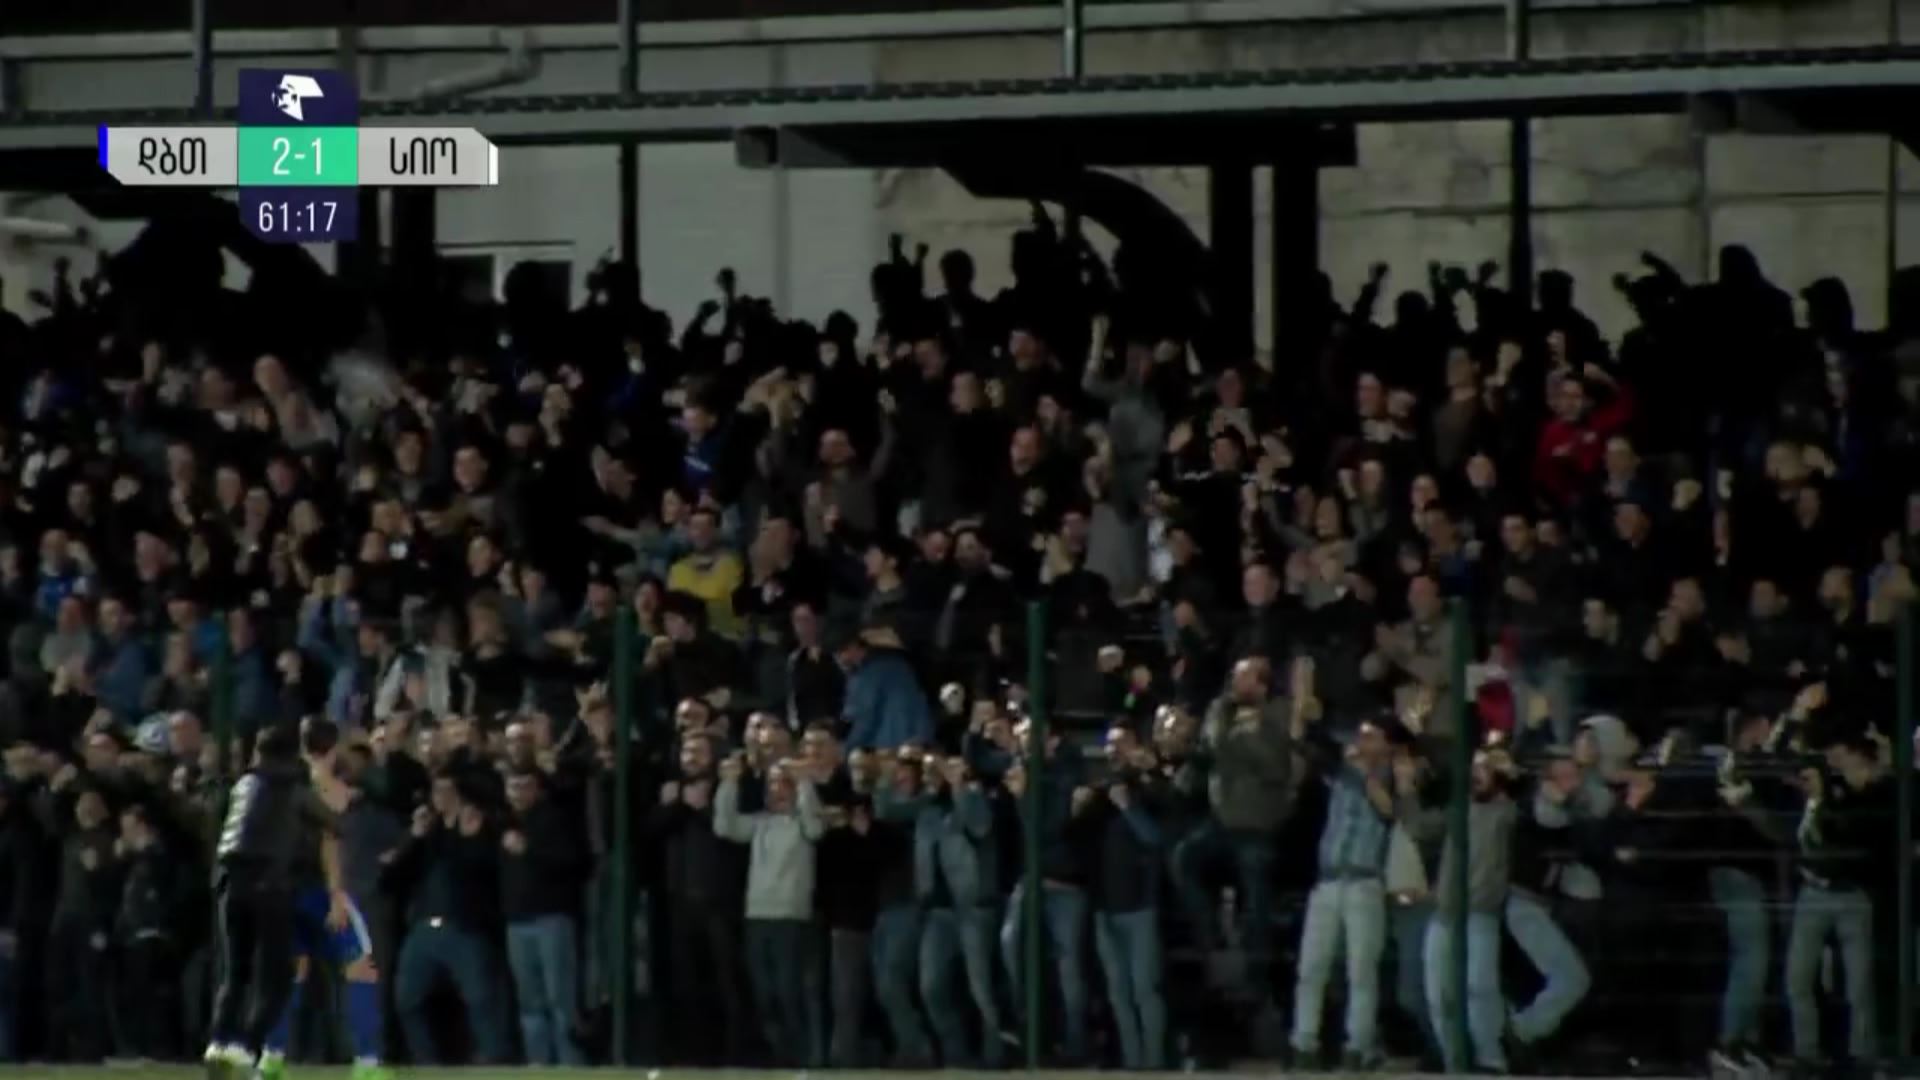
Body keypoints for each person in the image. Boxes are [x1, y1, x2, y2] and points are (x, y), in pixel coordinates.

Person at [253, 718, 392, 1080]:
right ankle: (368, 1062)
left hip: (281, 891)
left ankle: (271, 1058)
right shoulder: (329, 787)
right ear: (334, 746)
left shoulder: (281, 783)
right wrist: (336, 895)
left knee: (292, 973)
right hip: (317, 889)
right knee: (360, 966)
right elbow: (330, 841)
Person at [203, 723, 338, 1080]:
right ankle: (246, 1048)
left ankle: (218, 1042)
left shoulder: (242, 786)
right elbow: (334, 823)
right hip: (270, 886)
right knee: (275, 977)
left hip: (229, 884)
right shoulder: (293, 788)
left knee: (235, 972)